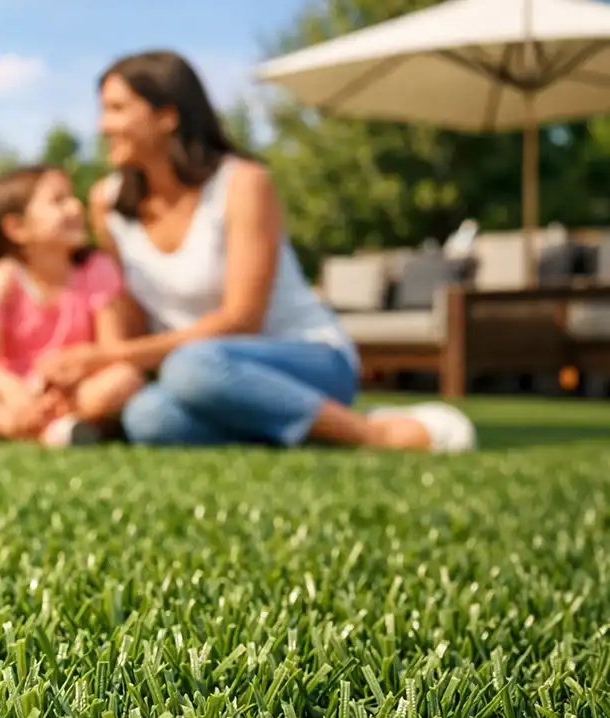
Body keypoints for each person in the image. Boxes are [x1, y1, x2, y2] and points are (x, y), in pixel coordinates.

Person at [35, 50, 477, 452]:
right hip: (198, 375)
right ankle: (303, 428)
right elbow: (134, 317)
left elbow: (242, 320)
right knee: (148, 419)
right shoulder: (107, 203)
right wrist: (108, 373)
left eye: (117, 109)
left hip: (303, 358)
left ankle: (372, 433)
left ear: (167, 116)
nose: (103, 126)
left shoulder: (242, 183)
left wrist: (105, 357)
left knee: (192, 366)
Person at [0, 165, 146, 446]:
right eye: (58, 201)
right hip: (8, 391)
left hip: (71, 391)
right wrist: (15, 393)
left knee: (124, 378)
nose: (76, 207)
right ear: (17, 228)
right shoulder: (6, 276)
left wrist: (77, 371)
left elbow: (111, 351)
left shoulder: (98, 269)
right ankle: (25, 427)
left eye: (72, 197)